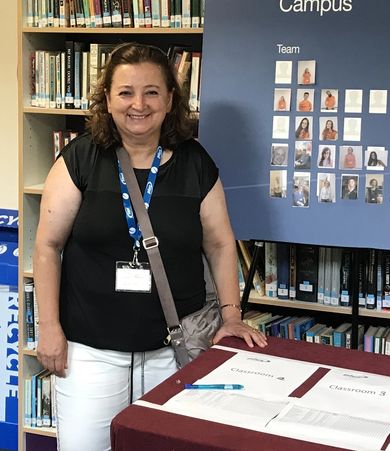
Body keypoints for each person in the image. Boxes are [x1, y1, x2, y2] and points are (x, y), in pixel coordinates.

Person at [32, 43, 267, 451]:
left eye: (152, 92)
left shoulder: (195, 163)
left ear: (170, 100)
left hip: (173, 350)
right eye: (125, 92)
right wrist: (49, 327)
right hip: (90, 354)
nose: (138, 104)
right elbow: (48, 246)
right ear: (107, 99)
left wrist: (231, 316)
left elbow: (219, 244)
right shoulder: (81, 159)